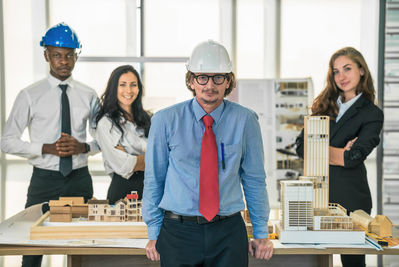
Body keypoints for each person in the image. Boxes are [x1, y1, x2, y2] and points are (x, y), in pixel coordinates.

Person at [142, 40, 274, 266]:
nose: (209, 85)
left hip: (228, 232)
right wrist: (153, 232)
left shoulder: (246, 120)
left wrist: (261, 232)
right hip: (178, 232)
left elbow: (254, 179)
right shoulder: (165, 120)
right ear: (191, 80)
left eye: (218, 77)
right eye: (202, 77)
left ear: (228, 81)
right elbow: (155, 178)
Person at [0, 22, 100, 267]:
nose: (63, 61)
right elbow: (6, 141)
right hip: (44, 179)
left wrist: (83, 147)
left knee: (84, 244)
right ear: (46, 55)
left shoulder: (89, 95)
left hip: (79, 177)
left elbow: (104, 141)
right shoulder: (29, 95)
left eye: (69, 55)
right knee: (32, 246)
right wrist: (44, 148)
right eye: (57, 55)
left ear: (76, 56)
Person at [295, 47, 384, 267]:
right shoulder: (324, 106)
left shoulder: (371, 114)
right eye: (336, 71)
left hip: (351, 200)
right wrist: (339, 152)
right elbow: (299, 147)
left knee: (353, 264)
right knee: (315, 260)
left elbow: (352, 158)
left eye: (347, 69)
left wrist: (322, 150)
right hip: (317, 198)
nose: (341, 77)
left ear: (361, 70)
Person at [95, 65, 150, 204]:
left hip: (150, 188)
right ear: (114, 88)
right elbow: (124, 165)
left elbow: (166, 156)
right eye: (122, 85)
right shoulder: (106, 124)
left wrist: (134, 157)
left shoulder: (148, 119)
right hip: (123, 190)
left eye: (133, 85)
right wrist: (152, 157)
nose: (128, 90)